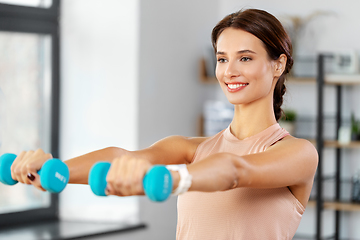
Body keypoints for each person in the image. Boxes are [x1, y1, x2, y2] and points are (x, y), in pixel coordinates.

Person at [9, 8, 318, 239]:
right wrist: (49, 171)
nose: (229, 71)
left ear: (278, 64)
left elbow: (236, 171)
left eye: (245, 58)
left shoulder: (297, 153)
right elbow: (123, 158)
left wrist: (168, 179)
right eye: (222, 59)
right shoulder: (190, 150)